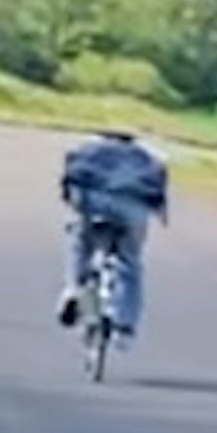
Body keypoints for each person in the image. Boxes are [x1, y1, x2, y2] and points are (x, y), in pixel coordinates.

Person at [56, 126, 170, 335]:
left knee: (80, 242)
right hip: (132, 211)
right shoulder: (146, 157)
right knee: (129, 263)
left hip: (94, 204)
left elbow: (69, 180)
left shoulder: (88, 149)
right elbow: (159, 194)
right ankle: (125, 319)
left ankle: (74, 290)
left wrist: (73, 203)